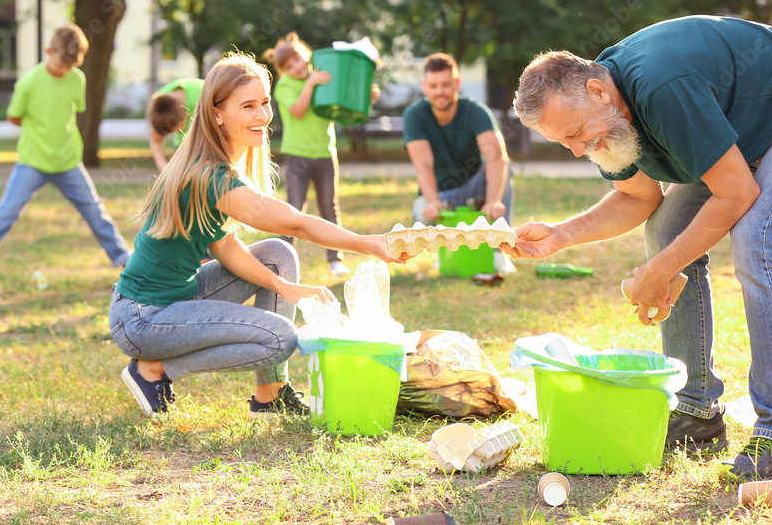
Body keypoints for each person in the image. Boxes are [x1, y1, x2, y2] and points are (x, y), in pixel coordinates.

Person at [508, 15, 772, 481]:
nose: (577, 150)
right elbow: (640, 197)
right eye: (563, 142)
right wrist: (561, 235)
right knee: (666, 230)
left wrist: (660, 272)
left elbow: (736, 194)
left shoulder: (660, 88)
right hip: (746, 129)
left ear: (597, 90)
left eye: (574, 133)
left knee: (757, 241)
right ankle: (697, 411)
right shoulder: (604, 115)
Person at [110, 51, 403, 418]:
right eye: (247, 106)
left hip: (167, 301)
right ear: (217, 113)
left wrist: (281, 285)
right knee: (282, 337)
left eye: (264, 102)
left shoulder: (214, 164)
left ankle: (270, 393)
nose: (262, 115)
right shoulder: (210, 176)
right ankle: (155, 371)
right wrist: (367, 244)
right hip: (143, 318)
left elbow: (225, 244)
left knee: (279, 256)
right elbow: (295, 222)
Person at [0, 24, 130, 286]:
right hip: (33, 161)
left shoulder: (77, 79)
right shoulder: (28, 83)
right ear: (47, 51)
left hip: (68, 161)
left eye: (70, 67)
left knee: (95, 211)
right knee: (6, 212)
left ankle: (125, 261)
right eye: (61, 65)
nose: (65, 71)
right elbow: (14, 117)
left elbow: (75, 111)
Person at [264, 32, 379, 278]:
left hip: (326, 153)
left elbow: (343, 105)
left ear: (306, 54)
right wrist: (311, 83)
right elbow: (297, 111)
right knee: (293, 210)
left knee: (329, 207)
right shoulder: (285, 86)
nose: (296, 66)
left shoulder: (323, 76)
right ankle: (278, 264)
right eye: (288, 65)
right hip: (297, 156)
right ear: (283, 71)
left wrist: (366, 97)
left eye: (298, 59)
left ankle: (335, 260)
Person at [402, 52, 515, 273]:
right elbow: (422, 165)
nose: (439, 91)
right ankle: (444, 253)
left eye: (445, 84)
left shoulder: (476, 111)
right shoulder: (414, 115)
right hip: (442, 193)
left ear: (457, 83)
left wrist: (493, 200)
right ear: (425, 87)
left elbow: (496, 155)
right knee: (421, 210)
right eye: (433, 86)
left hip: (474, 185)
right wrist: (433, 202)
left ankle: (498, 252)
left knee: (505, 166)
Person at [148, 78, 204, 172]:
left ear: (186, 115)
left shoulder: (202, 94)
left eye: (176, 130)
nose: (170, 135)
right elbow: (156, 141)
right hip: (180, 145)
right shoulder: (158, 105)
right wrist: (165, 171)